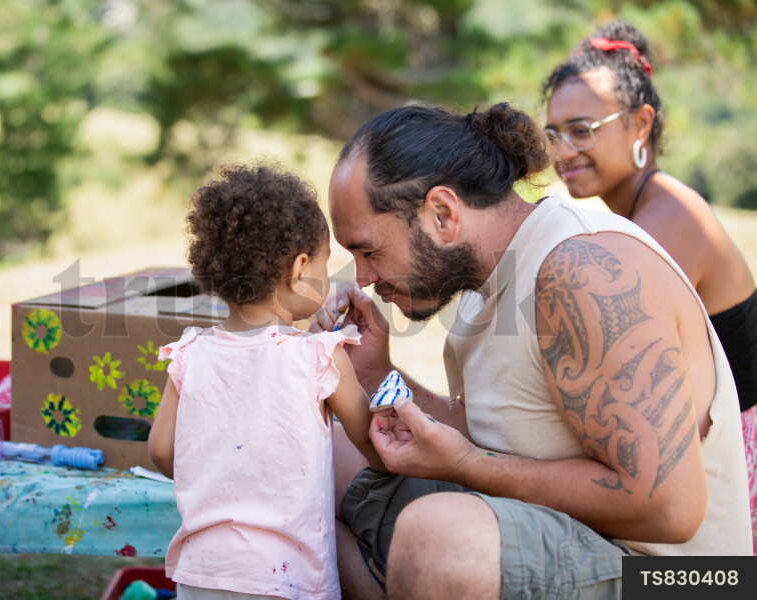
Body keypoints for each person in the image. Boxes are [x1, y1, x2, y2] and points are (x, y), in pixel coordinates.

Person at [314, 102, 751, 599]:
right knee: (319, 447)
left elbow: (670, 507)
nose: (364, 278)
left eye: (369, 250)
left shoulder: (582, 268)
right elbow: (491, 431)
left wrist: (468, 468)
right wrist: (376, 372)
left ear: (442, 213)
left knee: (441, 539)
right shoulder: (486, 288)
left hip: (679, 581)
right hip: (562, 538)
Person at [541, 19, 757, 553]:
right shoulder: (635, 217)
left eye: (582, 130)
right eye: (553, 133)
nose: (563, 150)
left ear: (639, 125)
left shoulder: (671, 218)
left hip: (739, 462)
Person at [148, 163, 385, 600]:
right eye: (324, 264)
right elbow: (372, 439)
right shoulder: (318, 355)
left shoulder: (188, 355)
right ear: (299, 269)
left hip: (202, 573)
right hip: (287, 578)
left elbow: (163, 450)